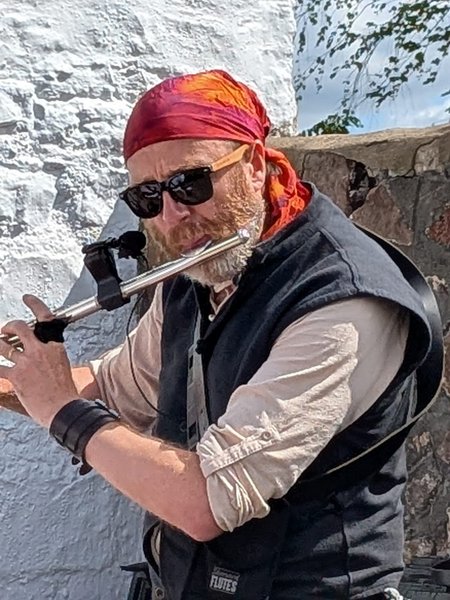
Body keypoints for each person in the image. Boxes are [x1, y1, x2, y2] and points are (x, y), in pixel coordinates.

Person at [0, 70, 432, 599]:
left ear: (255, 165)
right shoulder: (197, 275)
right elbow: (116, 389)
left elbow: (210, 499)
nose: (172, 216)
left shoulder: (343, 300)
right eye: (147, 197)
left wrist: (60, 411)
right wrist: (17, 381)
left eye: (191, 183)